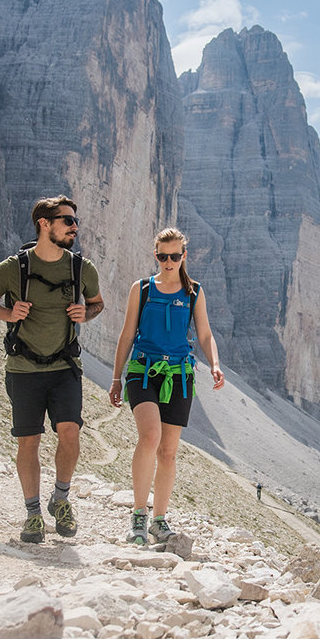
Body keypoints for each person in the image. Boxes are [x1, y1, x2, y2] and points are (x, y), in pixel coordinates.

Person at [0, 196, 104, 543]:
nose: (74, 227)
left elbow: (97, 304)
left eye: (76, 221)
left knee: (70, 432)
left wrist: (84, 314)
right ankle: (33, 514)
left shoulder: (82, 269)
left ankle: (60, 499)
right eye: (67, 221)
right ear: (44, 224)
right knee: (28, 440)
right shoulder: (12, 268)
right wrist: (8, 314)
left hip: (65, 366)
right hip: (23, 367)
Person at [109, 227, 224, 545]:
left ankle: (159, 520)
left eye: (175, 256)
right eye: (163, 256)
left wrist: (214, 363)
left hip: (180, 376)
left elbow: (204, 334)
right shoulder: (142, 288)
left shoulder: (194, 292)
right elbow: (127, 333)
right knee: (150, 436)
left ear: (184, 256)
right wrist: (116, 378)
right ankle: (138, 516)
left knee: (169, 453)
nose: (169, 261)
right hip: (143, 371)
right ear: (155, 256)